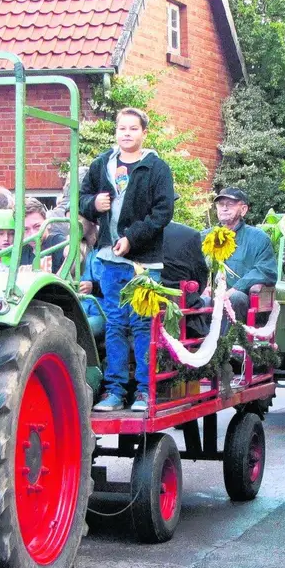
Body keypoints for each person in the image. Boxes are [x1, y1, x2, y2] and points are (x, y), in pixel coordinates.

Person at [81, 107, 175, 413]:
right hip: (110, 259)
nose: (126, 133)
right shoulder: (101, 165)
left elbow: (162, 213)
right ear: (116, 132)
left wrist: (132, 239)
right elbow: (81, 199)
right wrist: (94, 203)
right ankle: (115, 391)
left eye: (133, 128)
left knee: (143, 325)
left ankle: (145, 391)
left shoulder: (156, 168)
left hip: (143, 263)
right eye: (122, 128)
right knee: (115, 325)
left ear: (144, 133)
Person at [208, 186, 278, 316]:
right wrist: (204, 287)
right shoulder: (207, 236)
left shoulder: (258, 238)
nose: (224, 208)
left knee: (235, 298)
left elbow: (266, 271)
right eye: (221, 204)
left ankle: (232, 337)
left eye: (230, 204)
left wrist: (235, 288)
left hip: (242, 298)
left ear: (244, 209)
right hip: (213, 294)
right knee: (199, 300)